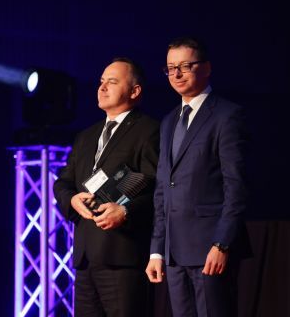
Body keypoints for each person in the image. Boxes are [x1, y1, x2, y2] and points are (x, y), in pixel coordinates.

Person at [145, 37, 252, 317]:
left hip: (210, 250)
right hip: (174, 253)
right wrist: (157, 250)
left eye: (185, 66)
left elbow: (236, 186)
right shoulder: (169, 121)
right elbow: (162, 190)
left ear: (206, 68)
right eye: (170, 68)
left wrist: (222, 243)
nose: (177, 74)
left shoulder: (227, 115)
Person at [54, 57, 159, 317]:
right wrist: (72, 200)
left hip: (123, 256)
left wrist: (125, 211)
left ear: (135, 91)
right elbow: (64, 182)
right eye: (101, 82)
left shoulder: (149, 130)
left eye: (112, 82)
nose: (102, 87)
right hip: (86, 257)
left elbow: (158, 187)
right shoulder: (86, 135)